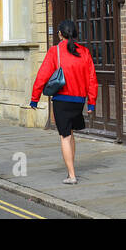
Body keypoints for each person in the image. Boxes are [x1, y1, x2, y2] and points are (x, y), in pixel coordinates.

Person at [30, 19, 98, 185]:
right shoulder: (85, 52)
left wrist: (34, 98)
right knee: (71, 134)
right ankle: (71, 170)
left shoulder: (55, 51)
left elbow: (42, 75)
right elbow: (92, 79)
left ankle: (72, 175)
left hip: (61, 99)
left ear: (60, 34)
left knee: (65, 136)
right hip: (79, 100)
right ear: (74, 33)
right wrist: (91, 103)